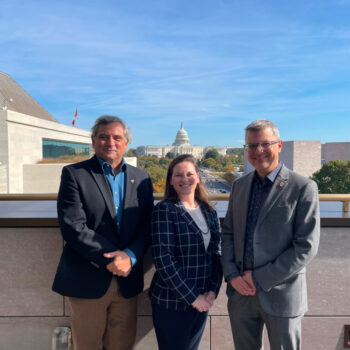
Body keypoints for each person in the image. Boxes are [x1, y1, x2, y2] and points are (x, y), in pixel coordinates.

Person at [52, 115, 154, 350]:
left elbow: (147, 225)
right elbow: (72, 225)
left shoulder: (142, 179)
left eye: (117, 137)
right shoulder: (74, 174)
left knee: (122, 345)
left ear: (126, 143)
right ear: (93, 141)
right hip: (87, 279)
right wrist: (112, 258)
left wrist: (130, 256)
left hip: (127, 281)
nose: (111, 142)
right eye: (104, 137)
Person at [221, 120, 320, 350]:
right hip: (240, 295)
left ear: (279, 145)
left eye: (265, 144)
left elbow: (306, 246)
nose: (258, 151)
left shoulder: (303, 187)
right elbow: (227, 234)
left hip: (282, 294)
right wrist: (232, 275)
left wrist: (258, 278)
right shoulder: (239, 186)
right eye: (251, 146)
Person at [149, 154, 223, 350]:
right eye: (178, 175)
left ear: (198, 177)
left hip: (202, 300)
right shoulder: (165, 210)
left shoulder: (209, 211)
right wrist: (193, 298)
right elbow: (164, 260)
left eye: (190, 174)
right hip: (171, 303)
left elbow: (216, 253)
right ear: (171, 181)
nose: (185, 179)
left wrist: (212, 291)